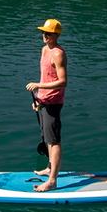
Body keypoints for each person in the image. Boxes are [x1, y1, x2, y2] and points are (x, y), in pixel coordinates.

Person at [26, 18, 67, 192]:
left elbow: (62, 81)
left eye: (48, 33)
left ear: (56, 35)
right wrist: (38, 98)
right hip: (44, 101)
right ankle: (50, 168)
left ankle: (52, 181)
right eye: (43, 32)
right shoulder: (44, 50)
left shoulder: (58, 53)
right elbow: (45, 77)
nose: (44, 35)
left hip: (54, 103)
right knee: (46, 138)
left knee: (54, 141)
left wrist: (38, 86)